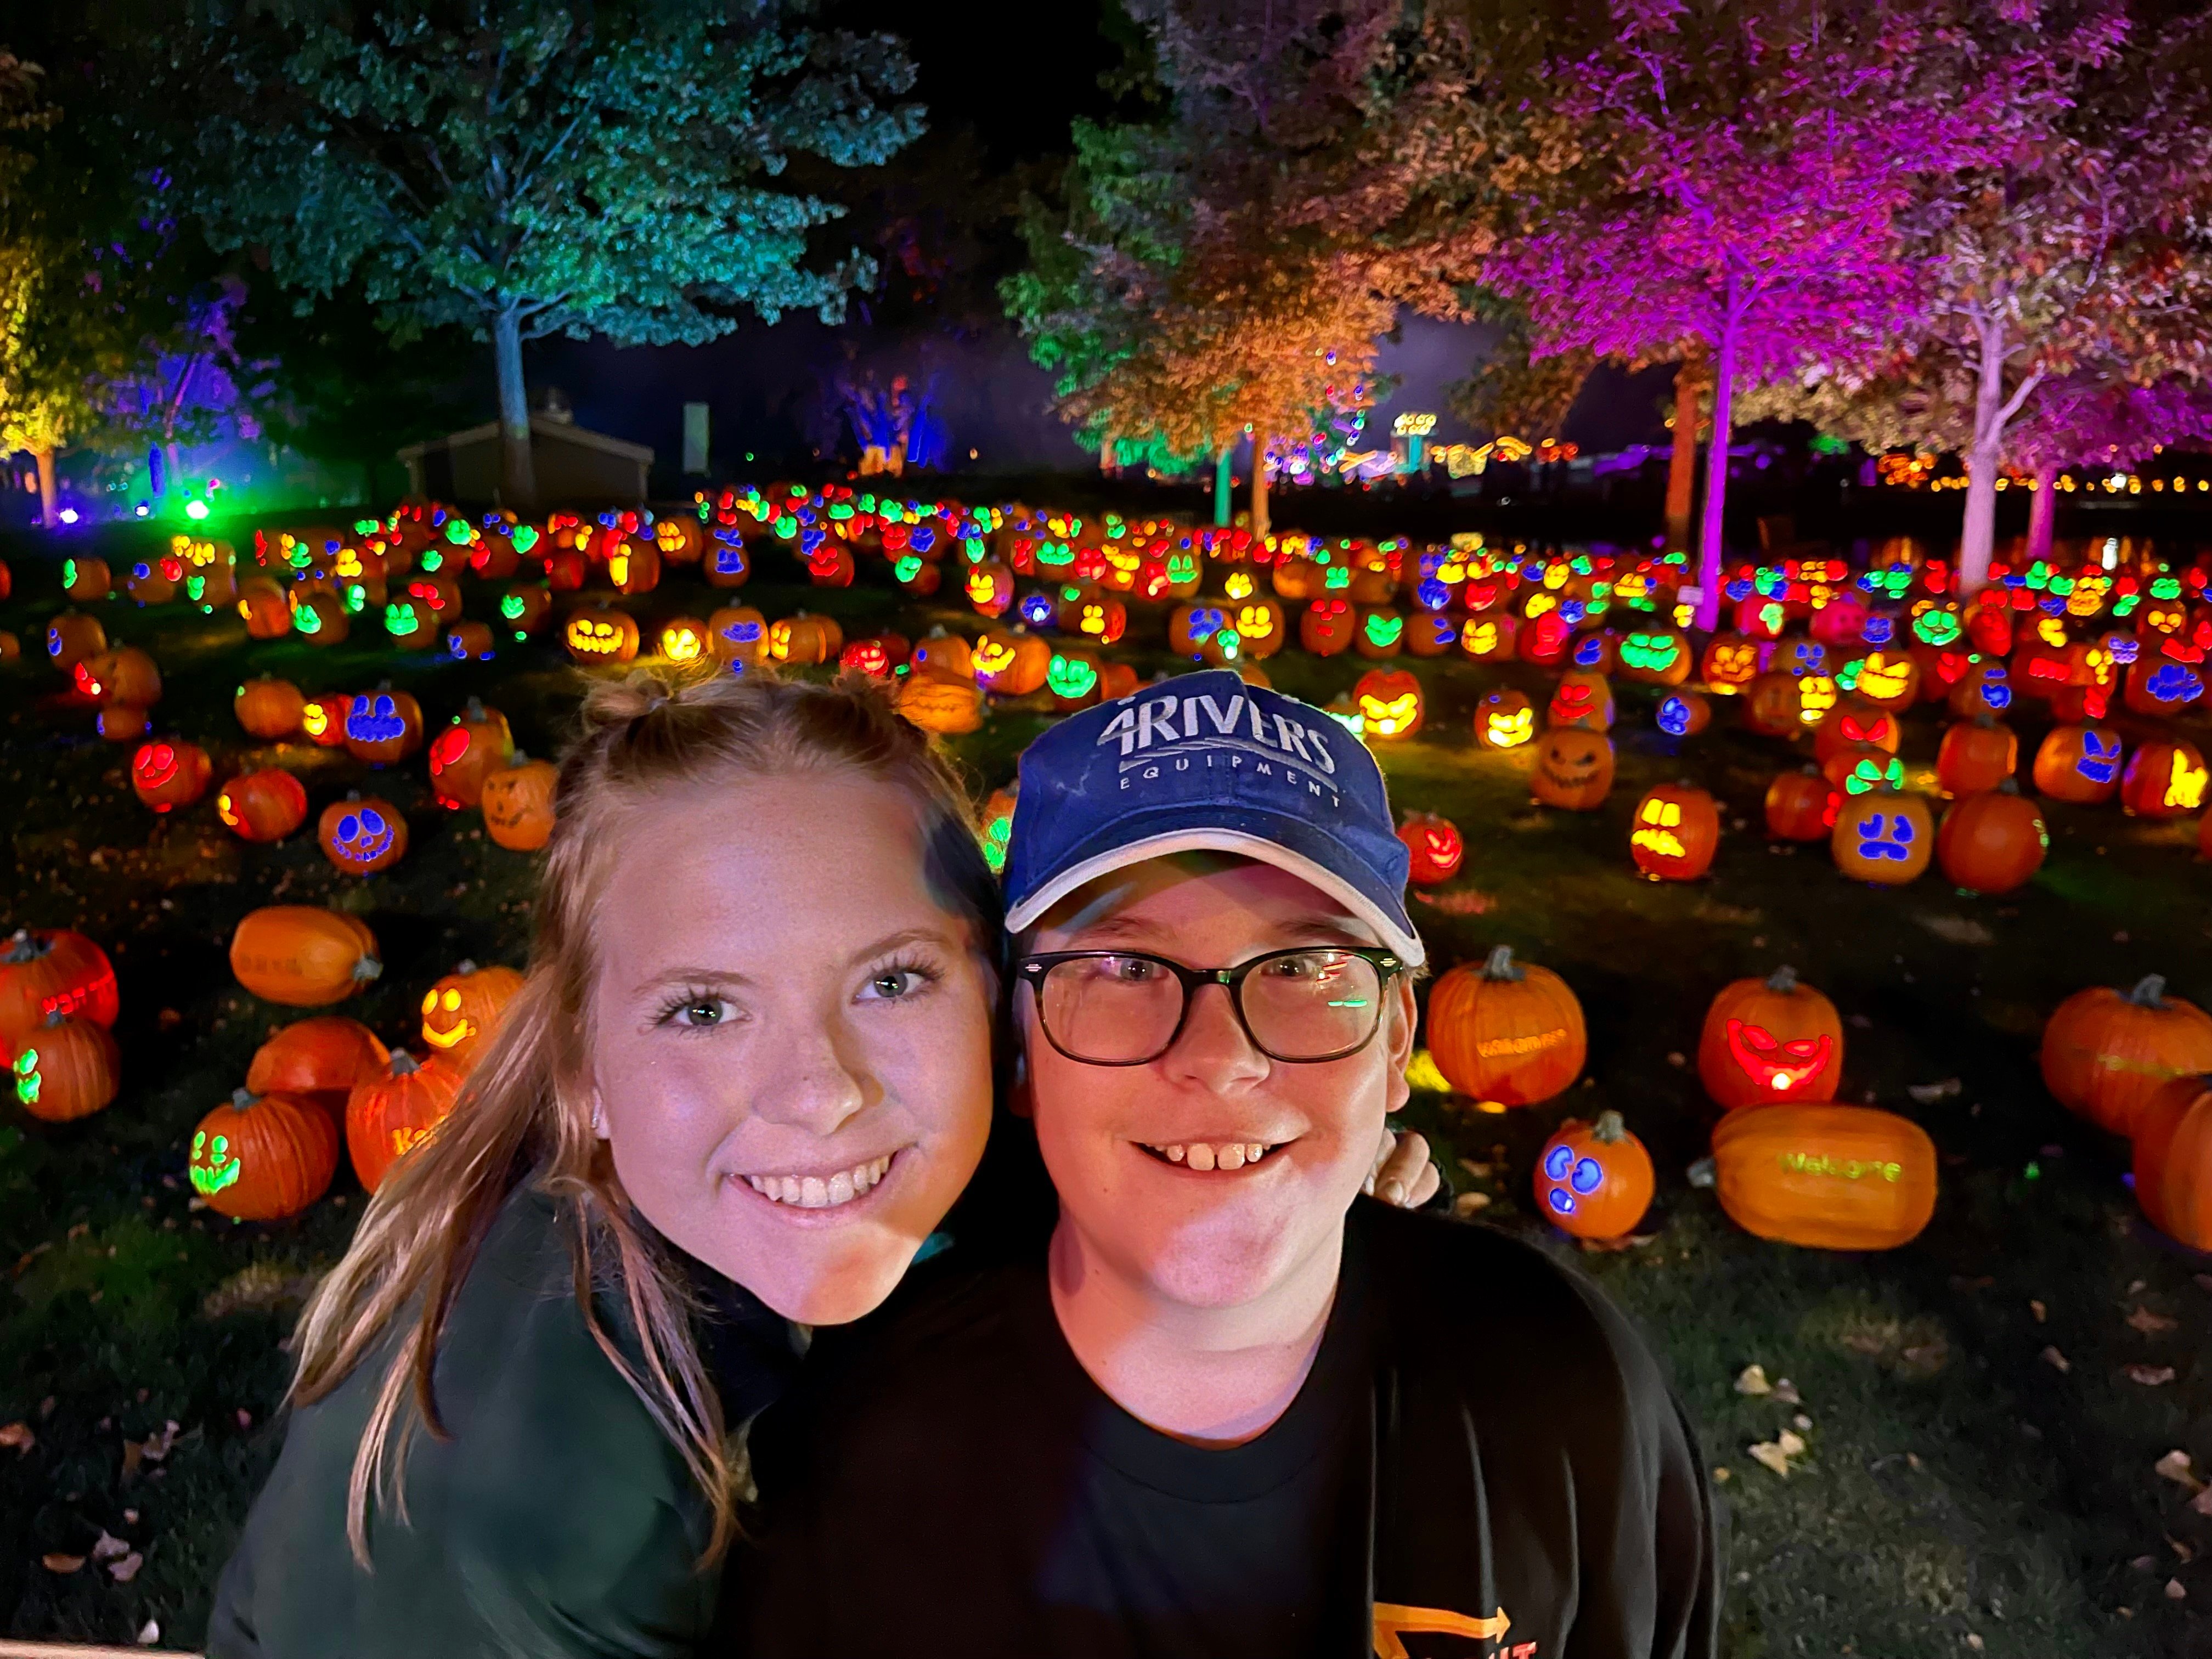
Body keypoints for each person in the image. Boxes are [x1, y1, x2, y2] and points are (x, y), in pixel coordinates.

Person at [210, 667, 1440, 1658]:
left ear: (999, 1008)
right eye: (703, 1010)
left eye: (893, 982)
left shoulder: (907, 1181)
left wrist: (1251, 1187)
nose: (822, 1094)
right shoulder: (525, 1505)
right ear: (582, 1071)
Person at [739, 668, 1722, 1659]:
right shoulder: (869, 1445)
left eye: (1304, 967)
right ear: (1021, 1047)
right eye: (1121, 967)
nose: (1219, 1057)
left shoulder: (1563, 1395)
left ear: (1394, 1045)